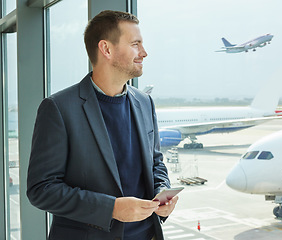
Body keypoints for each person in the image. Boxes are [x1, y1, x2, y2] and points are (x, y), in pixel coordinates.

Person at [27, 10, 178, 240]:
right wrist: (112, 208)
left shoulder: (145, 102)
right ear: (106, 49)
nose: (144, 53)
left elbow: (156, 163)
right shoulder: (58, 108)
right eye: (135, 44)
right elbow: (41, 189)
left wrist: (161, 193)